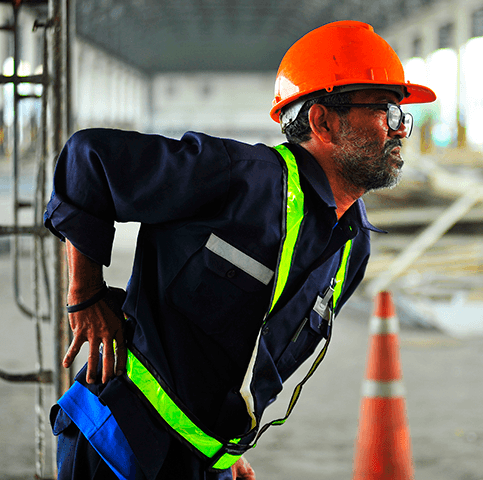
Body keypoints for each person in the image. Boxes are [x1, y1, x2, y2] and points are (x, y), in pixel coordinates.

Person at [44, 20, 436, 480]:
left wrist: (224, 447)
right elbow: (88, 159)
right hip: (119, 438)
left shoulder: (352, 248)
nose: (401, 130)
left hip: (205, 461)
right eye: (386, 112)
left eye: (402, 116)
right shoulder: (241, 177)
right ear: (322, 121)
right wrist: (85, 295)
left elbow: (258, 351)